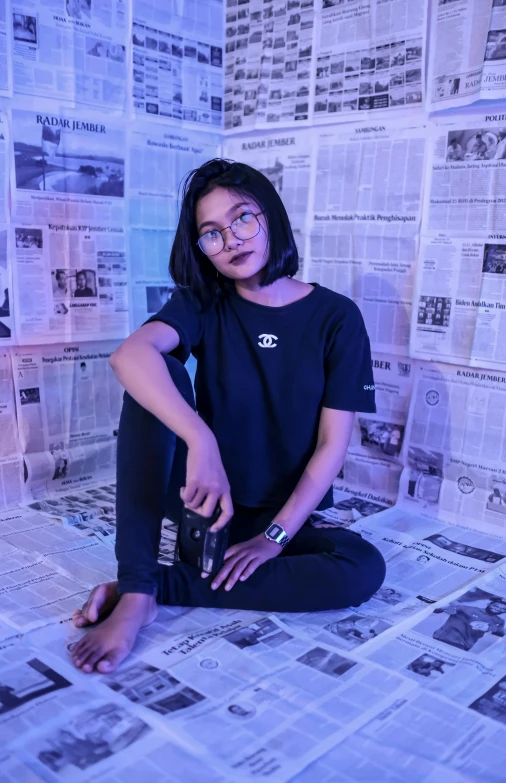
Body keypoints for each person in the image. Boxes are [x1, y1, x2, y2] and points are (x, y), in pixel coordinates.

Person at [70, 158, 386, 673]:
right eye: (211, 233)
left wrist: (274, 538)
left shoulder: (336, 317)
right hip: (206, 504)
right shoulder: (202, 303)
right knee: (160, 371)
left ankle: (161, 587)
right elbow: (128, 356)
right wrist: (201, 441)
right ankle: (136, 587)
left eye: (242, 219)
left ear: (271, 218)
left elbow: (333, 445)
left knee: (361, 569)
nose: (232, 240)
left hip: (277, 519)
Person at [433, 600, 506, 651]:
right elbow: (437, 610)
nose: (498, 609)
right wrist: (443, 609)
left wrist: (493, 628)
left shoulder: (500, 621)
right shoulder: (466, 608)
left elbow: (501, 633)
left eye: (503, 609)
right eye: (495, 606)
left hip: (464, 646)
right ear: (489, 603)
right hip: (442, 638)